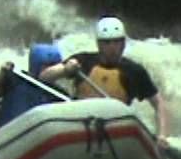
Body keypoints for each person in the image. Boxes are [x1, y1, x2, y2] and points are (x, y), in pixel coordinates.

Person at [39, 16, 169, 148]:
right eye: (107, 43)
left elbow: (158, 103)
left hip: (114, 132)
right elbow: (44, 77)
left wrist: (162, 135)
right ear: (99, 44)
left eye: (117, 42)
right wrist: (65, 70)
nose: (112, 48)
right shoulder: (83, 61)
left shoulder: (134, 71)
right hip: (80, 127)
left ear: (123, 44)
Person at [0, 43, 68, 129]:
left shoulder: (60, 95)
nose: (52, 69)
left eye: (55, 66)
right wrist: (1, 75)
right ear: (36, 65)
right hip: (8, 133)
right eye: (47, 66)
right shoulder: (16, 79)